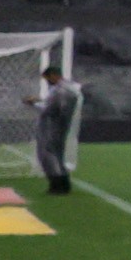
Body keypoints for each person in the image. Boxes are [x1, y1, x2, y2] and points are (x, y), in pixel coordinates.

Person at [34, 63, 81, 196]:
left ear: (54, 76)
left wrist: (34, 103)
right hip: (59, 125)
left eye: (48, 78)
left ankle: (58, 185)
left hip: (53, 126)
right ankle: (63, 184)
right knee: (56, 154)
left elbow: (50, 109)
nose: (48, 82)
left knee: (49, 155)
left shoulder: (60, 90)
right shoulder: (68, 88)